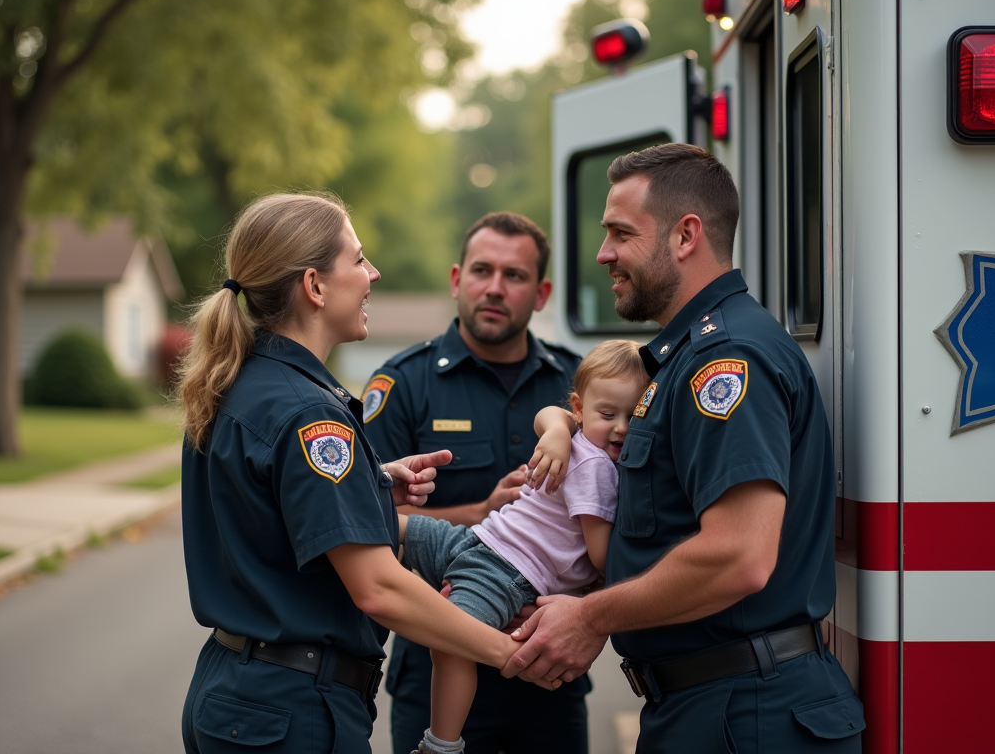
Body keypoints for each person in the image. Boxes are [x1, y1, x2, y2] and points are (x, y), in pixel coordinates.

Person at [504, 144, 865, 753]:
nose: (603, 254)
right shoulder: (682, 363)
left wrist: (591, 618)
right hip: (712, 707)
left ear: (685, 235)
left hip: (743, 714)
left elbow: (739, 556)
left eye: (620, 233)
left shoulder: (723, 363)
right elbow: (665, 535)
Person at [176, 193, 529, 754]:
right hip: (290, 710)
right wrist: (512, 655)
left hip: (236, 694)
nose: (374, 274)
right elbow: (379, 590)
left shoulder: (242, 384)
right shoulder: (310, 413)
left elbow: (269, 512)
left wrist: (371, 480)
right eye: (359, 260)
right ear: (315, 286)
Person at [361, 211, 588, 754]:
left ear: (541, 292)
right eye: (482, 271)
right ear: (457, 279)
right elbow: (365, 527)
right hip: (436, 674)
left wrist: (584, 607)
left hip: (548, 672)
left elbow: (616, 514)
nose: (494, 287)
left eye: (514, 276)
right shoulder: (403, 383)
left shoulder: (582, 386)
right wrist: (478, 512)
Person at [398, 340, 648, 754]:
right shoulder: (594, 460)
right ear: (580, 409)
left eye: (634, 415)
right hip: (487, 547)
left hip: (500, 567)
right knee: (444, 631)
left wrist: (558, 431)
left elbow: (599, 556)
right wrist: (555, 430)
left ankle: (441, 743)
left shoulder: (592, 456)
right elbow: (603, 557)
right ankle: (442, 742)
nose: (621, 427)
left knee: (401, 542)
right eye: (608, 414)